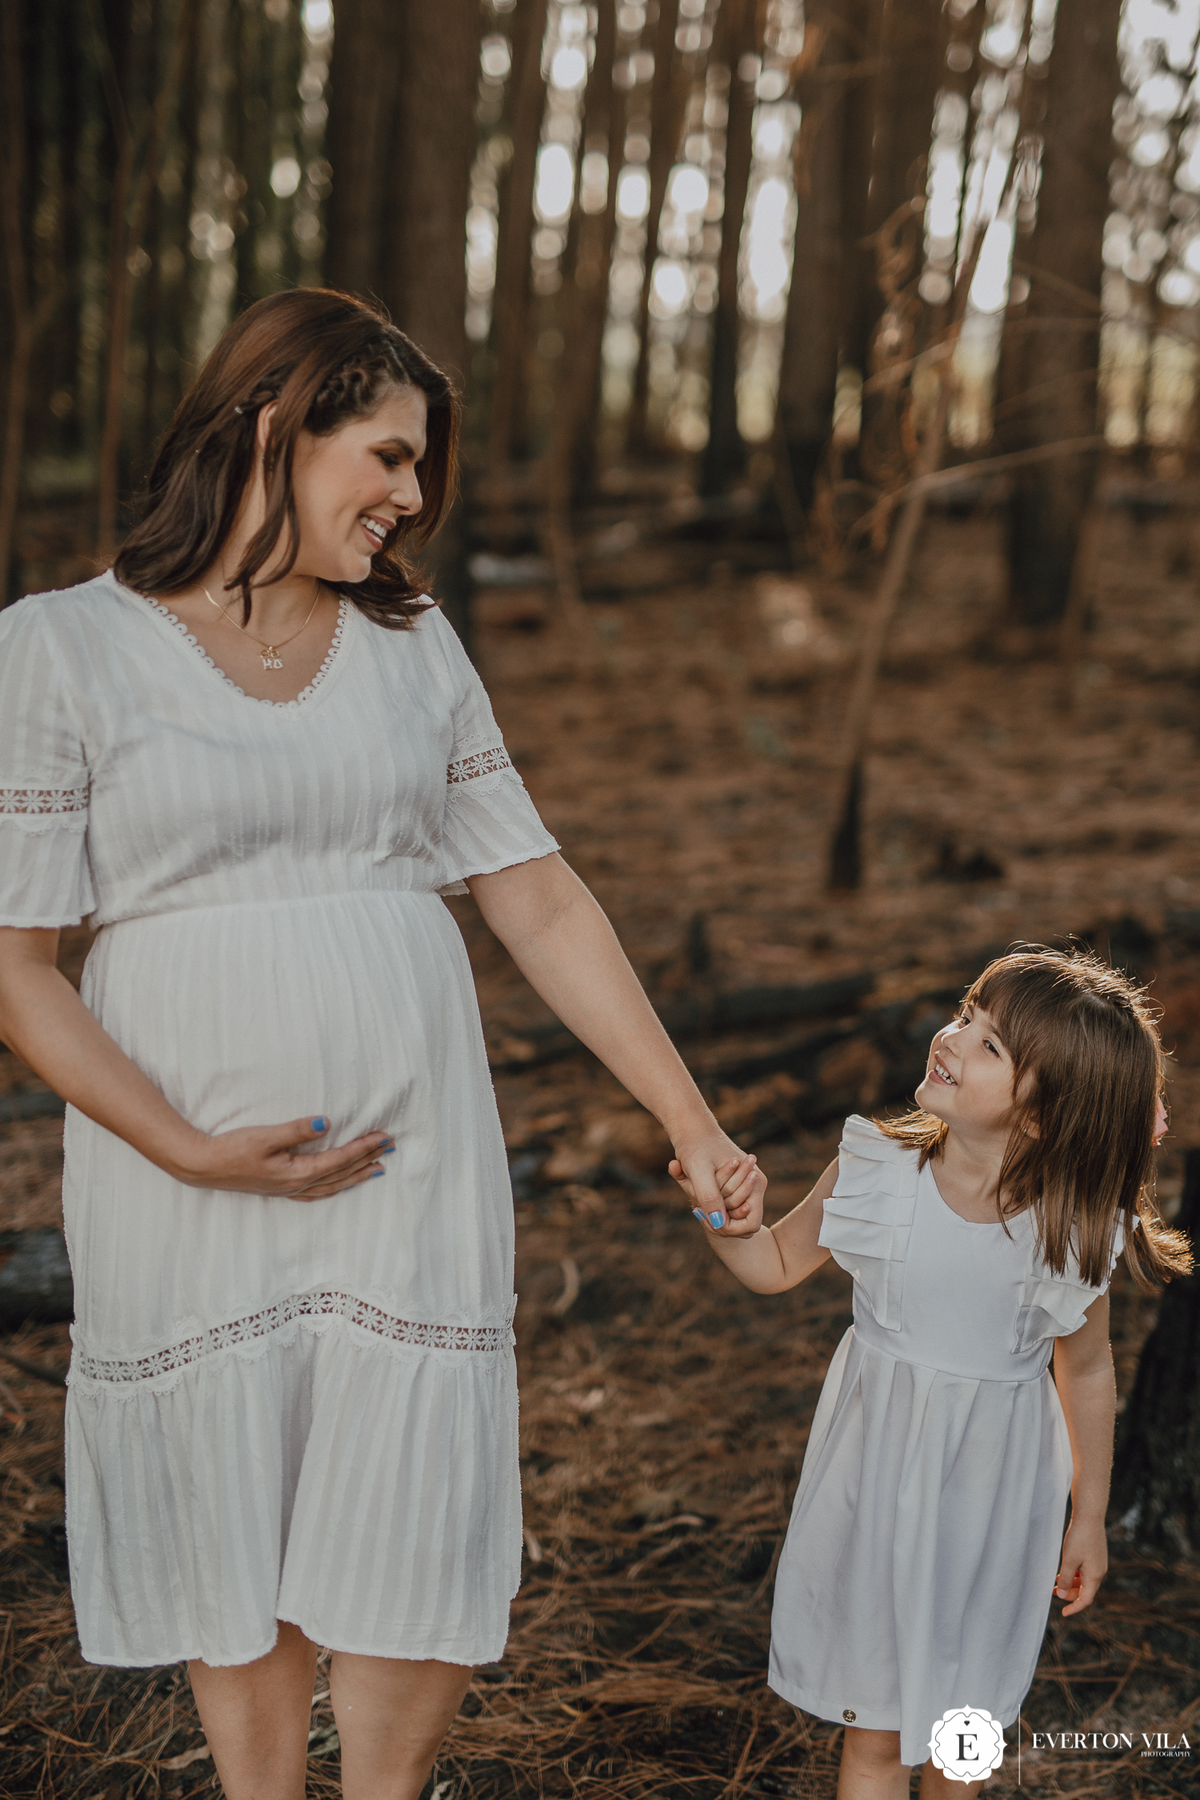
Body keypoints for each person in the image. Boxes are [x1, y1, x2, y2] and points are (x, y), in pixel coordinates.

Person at [0, 287, 758, 1800]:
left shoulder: (410, 643)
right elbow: (17, 970)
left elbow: (536, 895)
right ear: (274, 428)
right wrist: (187, 1147)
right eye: (390, 457)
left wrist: (692, 1119)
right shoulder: (60, 648)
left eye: (420, 467)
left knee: (404, 1492)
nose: (412, 498)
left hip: (408, 1157)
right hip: (181, 1174)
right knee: (238, 1493)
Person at [676, 946, 1190, 1798]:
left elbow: (1088, 1371)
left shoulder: (1074, 1227)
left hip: (995, 1501)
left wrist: (1090, 1514)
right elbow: (774, 1264)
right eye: (965, 1015)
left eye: (990, 1045)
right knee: (876, 1734)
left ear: (1043, 1115)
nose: (951, 1039)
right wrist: (725, 1222)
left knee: (963, 1732)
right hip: (881, 1486)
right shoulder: (878, 1170)